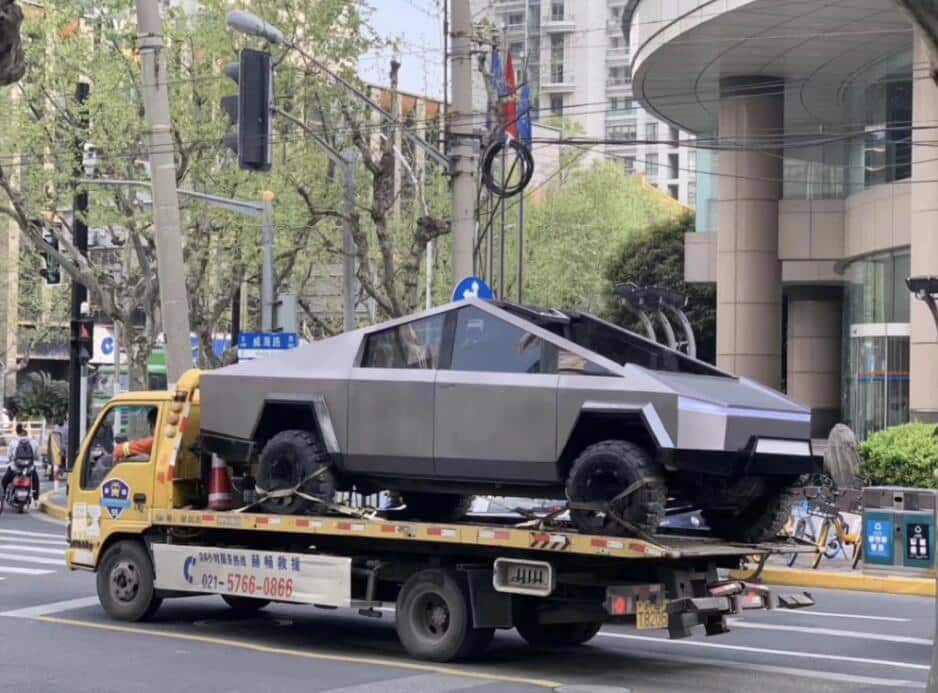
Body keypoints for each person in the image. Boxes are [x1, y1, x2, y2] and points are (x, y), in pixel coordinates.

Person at [2, 424, 41, 501]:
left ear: (18, 433)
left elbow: (9, 456)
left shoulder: (13, 442)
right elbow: (37, 456)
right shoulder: (33, 442)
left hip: (15, 469)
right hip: (29, 470)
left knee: (4, 480)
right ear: (27, 433)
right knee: (36, 480)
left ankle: (2, 497)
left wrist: (9, 459)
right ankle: (36, 498)